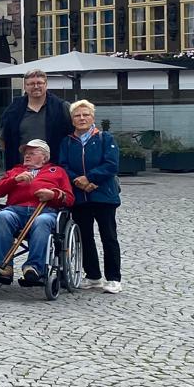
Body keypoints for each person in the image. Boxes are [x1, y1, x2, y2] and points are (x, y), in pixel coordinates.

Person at [0, 139, 73, 285]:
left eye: (32, 153)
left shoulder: (57, 171)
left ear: (44, 157)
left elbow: (69, 199)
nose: (27, 155)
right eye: (26, 153)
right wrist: (14, 180)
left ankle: (34, 268)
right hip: (15, 211)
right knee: (3, 216)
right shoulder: (16, 171)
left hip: (44, 211)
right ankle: (2, 266)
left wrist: (53, 195)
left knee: (42, 221)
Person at [60, 100, 123, 294]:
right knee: (85, 237)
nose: (82, 118)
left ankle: (113, 278)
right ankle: (93, 275)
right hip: (80, 197)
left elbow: (111, 164)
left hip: (104, 196)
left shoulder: (105, 138)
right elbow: (63, 166)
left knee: (108, 237)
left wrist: (90, 178)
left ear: (92, 117)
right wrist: (77, 180)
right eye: (77, 115)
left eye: (85, 114)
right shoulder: (67, 142)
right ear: (72, 120)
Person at [0, 69, 73, 166]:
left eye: (39, 83)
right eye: (31, 84)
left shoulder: (62, 107)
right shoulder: (13, 109)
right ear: (25, 86)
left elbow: (73, 136)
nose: (36, 86)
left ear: (46, 85)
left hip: (55, 167)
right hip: (21, 169)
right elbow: (3, 139)